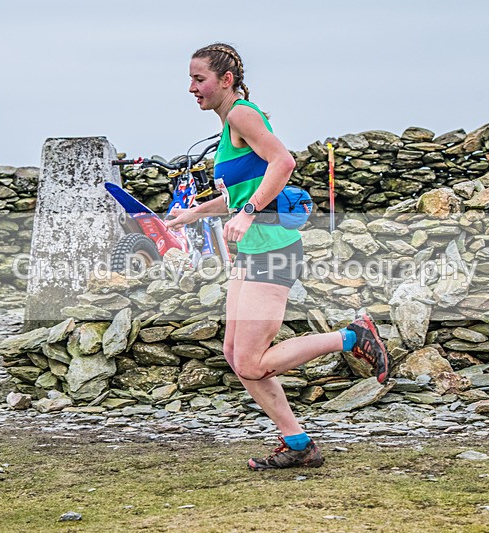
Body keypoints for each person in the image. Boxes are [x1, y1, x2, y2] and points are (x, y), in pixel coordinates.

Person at [165, 43, 391, 470]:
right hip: (250, 251)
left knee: (252, 361)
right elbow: (239, 195)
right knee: (237, 357)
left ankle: (351, 337)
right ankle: (298, 442)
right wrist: (192, 213)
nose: (191, 88)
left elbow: (282, 163)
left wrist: (249, 215)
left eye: (199, 79)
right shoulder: (227, 129)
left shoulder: (241, 114)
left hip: (273, 250)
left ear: (225, 80)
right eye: (190, 79)